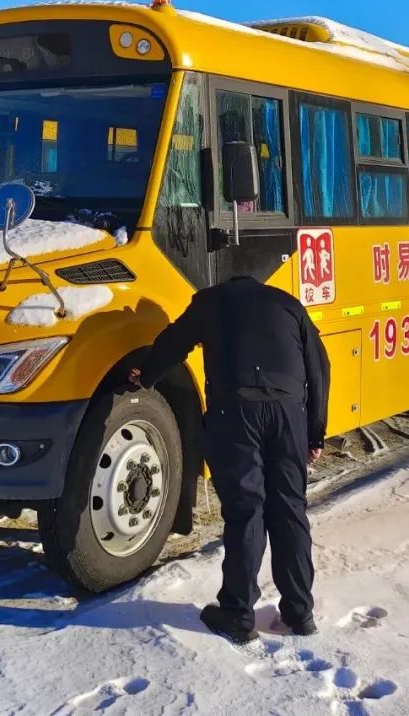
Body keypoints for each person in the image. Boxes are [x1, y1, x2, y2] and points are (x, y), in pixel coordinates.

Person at [129, 273, 329, 645]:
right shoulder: (287, 304)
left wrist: (145, 377)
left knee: (246, 509)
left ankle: (238, 614)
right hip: (288, 412)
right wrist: (314, 433)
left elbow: (174, 343)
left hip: (234, 412)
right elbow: (319, 369)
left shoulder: (209, 301)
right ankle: (300, 613)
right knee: (289, 508)